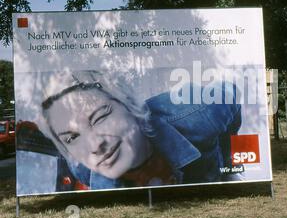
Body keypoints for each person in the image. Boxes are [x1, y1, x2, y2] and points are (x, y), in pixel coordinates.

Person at [38, 71, 242, 190]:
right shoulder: (82, 169)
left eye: (100, 117)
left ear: (130, 105)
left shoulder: (199, 113)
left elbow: (229, 93)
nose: (94, 145)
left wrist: (227, 165)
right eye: (72, 137)